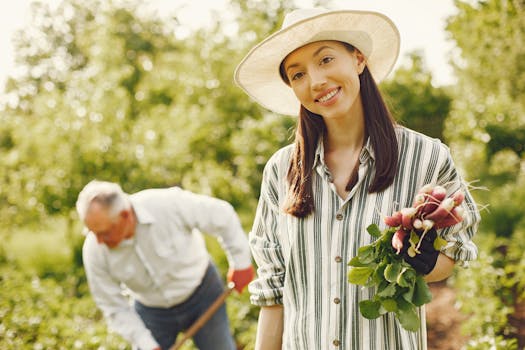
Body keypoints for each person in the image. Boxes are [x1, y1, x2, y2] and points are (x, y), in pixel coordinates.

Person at [234, 8, 480, 350]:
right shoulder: (281, 172)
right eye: (298, 74)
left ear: (359, 59)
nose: (315, 80)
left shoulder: (426, 157)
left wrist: (422, 261)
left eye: (326, 59)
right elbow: (274, 295)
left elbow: (451, 257)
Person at [76, 180, 255, 350]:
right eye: (92, 232)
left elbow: (222, 215)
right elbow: (112, 305)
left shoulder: (167, 204)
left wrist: (241, 263)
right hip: (151, 310)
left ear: (125, 216)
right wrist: (146, 344)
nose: (98, 241)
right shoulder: (94, 249)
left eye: (104, 232)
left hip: (203, 293)